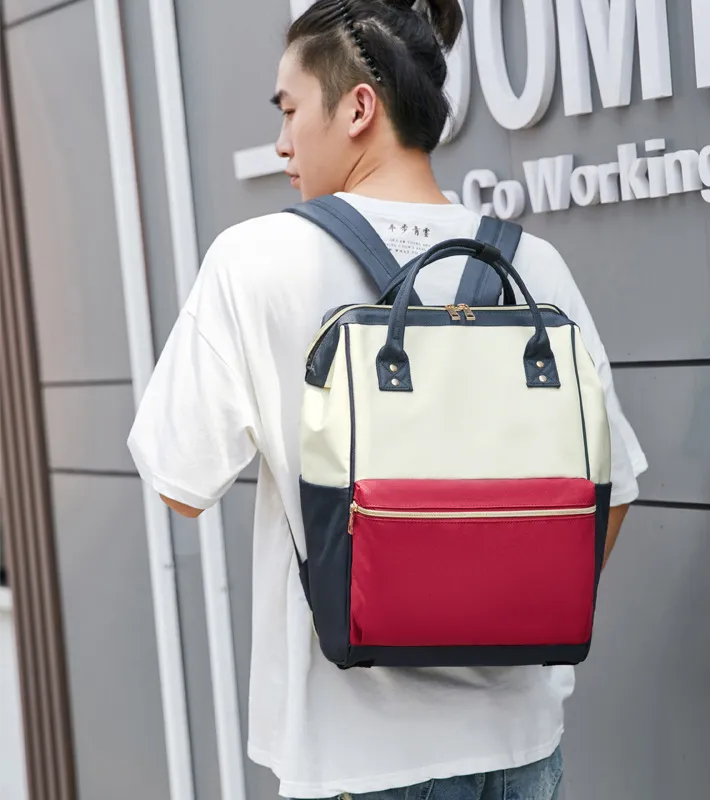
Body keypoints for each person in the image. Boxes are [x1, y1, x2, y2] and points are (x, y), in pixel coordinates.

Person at [127, 1, 648, 798]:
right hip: (519, 747)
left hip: (358, 759)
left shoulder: (254, 260)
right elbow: (613, 490)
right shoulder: (533, 267)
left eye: (290, 109)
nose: (282, 142)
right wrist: (497, 599)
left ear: (358, 107)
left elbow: (180, 483)